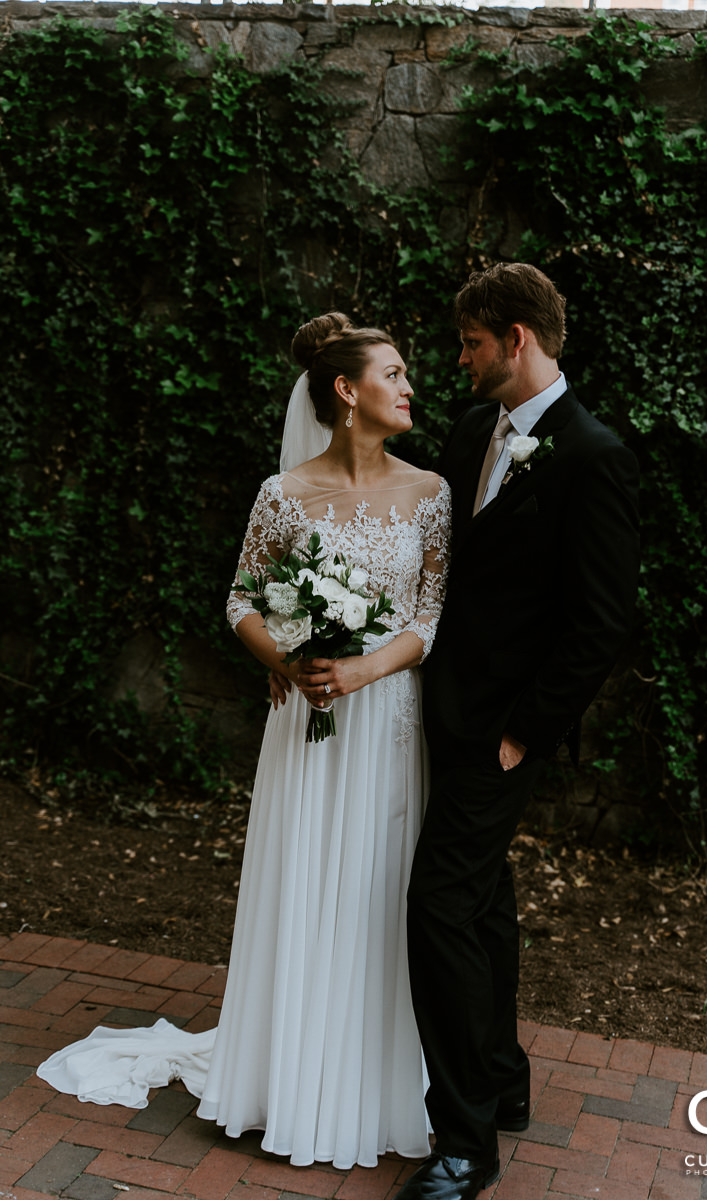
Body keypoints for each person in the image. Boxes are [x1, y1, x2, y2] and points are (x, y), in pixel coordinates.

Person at [37, 312, 451, 1172]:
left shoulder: (431, 493)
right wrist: (291, 660)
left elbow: (430, 618)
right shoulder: (284, 493)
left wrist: (363, 672)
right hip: (307, 722)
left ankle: (368, 1082)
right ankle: (285, 1081)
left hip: (385, 726)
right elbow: (241, 601)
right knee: (304, 884)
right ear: (348, 391)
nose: (411, 387)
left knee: (379, 894)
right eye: (396, 373)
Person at [396, 263, 640, 1200]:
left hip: (504, 732)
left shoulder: (591, 455)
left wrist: (525, 734)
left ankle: (464, 1148)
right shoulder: (470, 433)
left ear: (517, 341)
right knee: (484, 902)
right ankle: (502, 1085)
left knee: (440, 907)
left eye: (470, 343)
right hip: (442, 711)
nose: (458, 360)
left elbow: (600, 622)